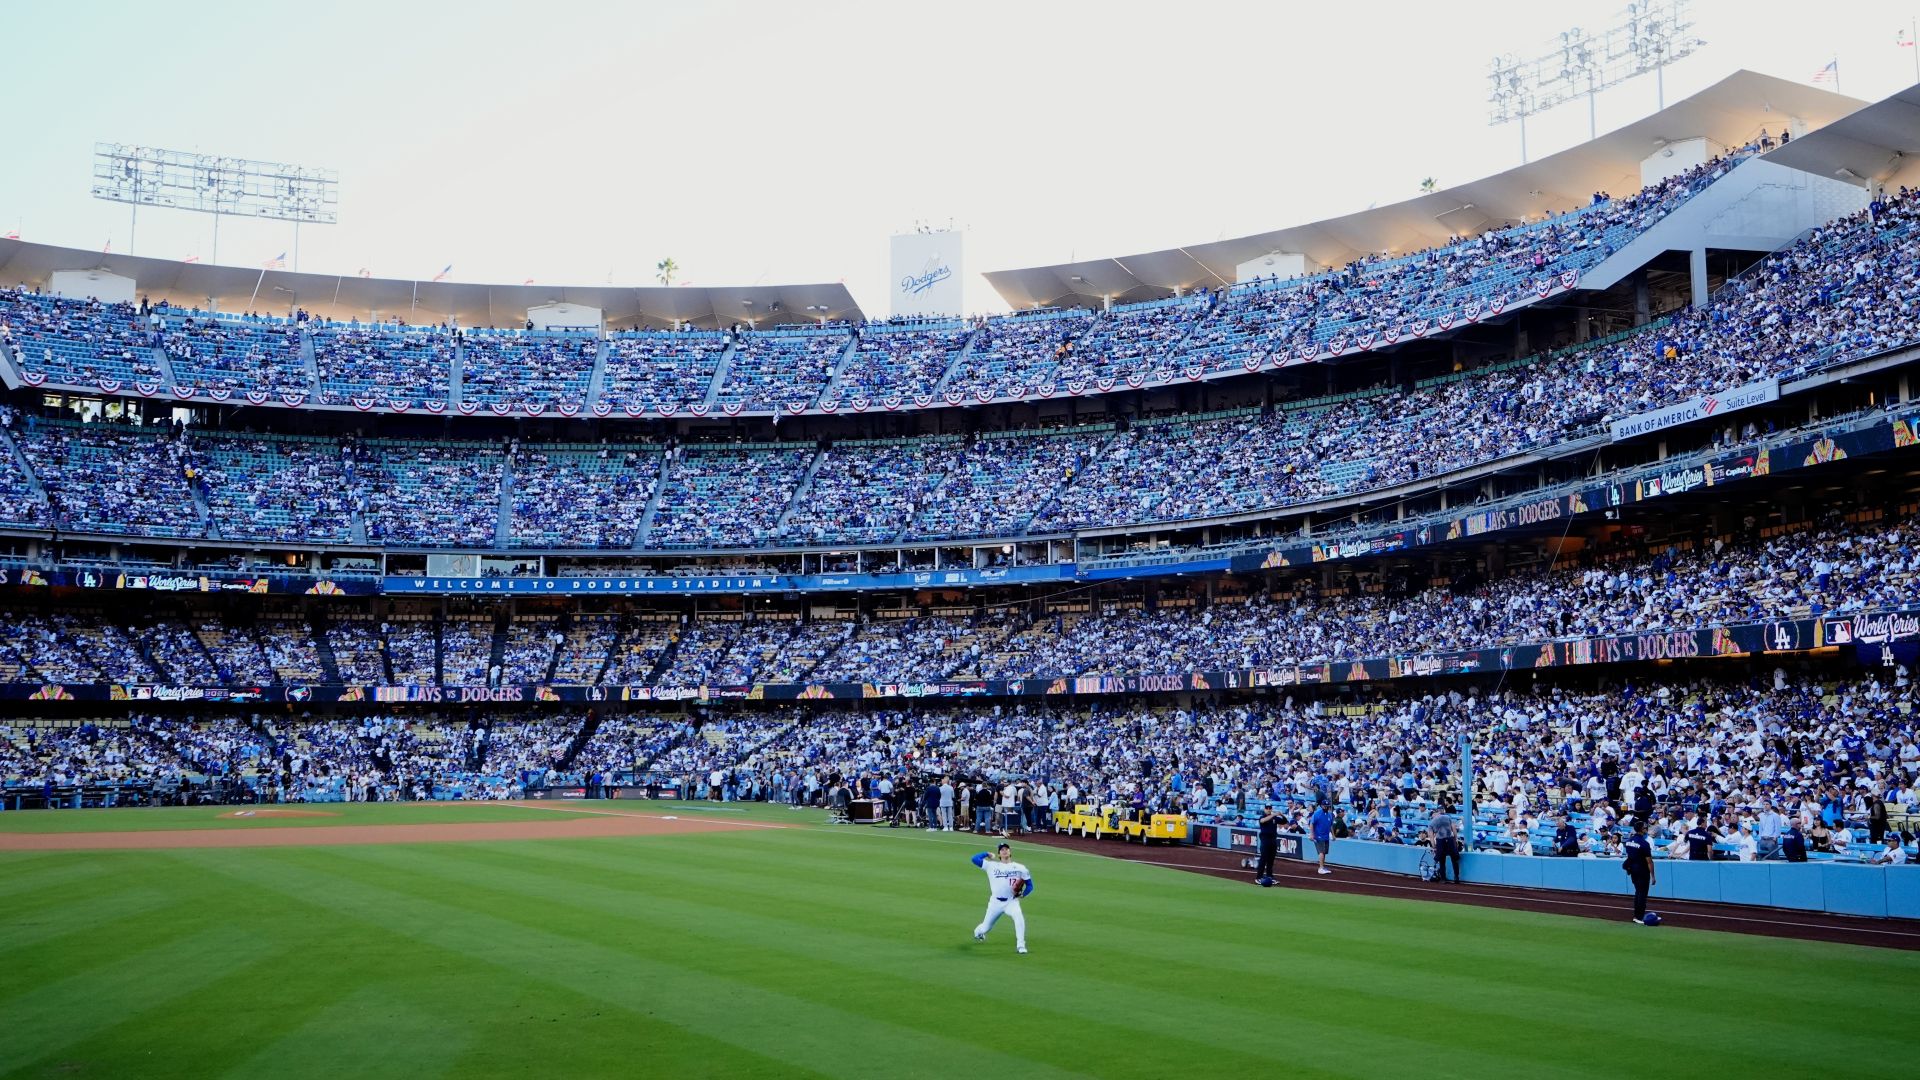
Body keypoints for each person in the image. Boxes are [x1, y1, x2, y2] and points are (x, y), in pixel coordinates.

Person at [970, 842, 1032, 954]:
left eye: (1006, 849)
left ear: (1010, 851)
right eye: (1002, 850)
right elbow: (974, 859)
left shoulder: (1020, 868)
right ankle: (978, 932)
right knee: (985, 927)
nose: (1004, 851)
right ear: (999, 854)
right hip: (995, 903)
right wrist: (987, 854)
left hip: (1011, 901)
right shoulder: (991, 866)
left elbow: (1030, 885)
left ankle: (1021, 945)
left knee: (1019, 917)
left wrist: (1024, 894)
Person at [1622, 816, 1656, 924]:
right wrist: (1653, 876)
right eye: (1645, 828)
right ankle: (1639, 916)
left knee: (1638, 892)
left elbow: (1630, 856)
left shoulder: (1628, 841)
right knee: (1642, 894)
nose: (1646, 829)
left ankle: (1637, 915)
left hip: (1633, 870)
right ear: (1642, 830)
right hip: (1642, 871)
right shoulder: (1644, 844)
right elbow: (1649, 861)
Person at [1431, 802, 1462, 883]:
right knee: (1454, 859)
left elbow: (1431, 835)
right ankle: (1456, 877)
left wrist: (1434, 846)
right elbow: (1454, 828)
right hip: (1450, 839)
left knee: (1442, 860)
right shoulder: (1448, 817)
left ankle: (1443, 878)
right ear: (1443, 810)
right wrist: (1456, 839)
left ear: (1437, 811)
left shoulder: (1433, 821)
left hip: (1440, 840)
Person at [1255, 803, 1281, 885]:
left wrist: (1282, 815)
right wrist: (1273, 815)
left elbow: (1285, 821)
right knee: (1263, 859)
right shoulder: (1262, 817)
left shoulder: (1274, 818)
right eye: (1267, 808)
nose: (1269, 809)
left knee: (1271, 860)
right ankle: (1258, 877)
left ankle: (1270, 876)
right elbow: (1262, 821)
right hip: (1265, 840)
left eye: (1270, 808)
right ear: (1265, 809)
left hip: (1273, 840)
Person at [1310, 801, 1334, 876]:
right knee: (1321, 852)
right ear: (1321, 806)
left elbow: (1330, 825)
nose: (1326, 807)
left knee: (1324, 852)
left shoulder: (1330, 814)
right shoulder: (1317, 813)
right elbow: (1312, 824)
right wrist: (1312, 834)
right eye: (1325, 806)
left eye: (1327, 806)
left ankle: (1322, 867)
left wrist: (1333, 835)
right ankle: (1321, 868)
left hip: (1326, 836)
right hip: (1319, 836)